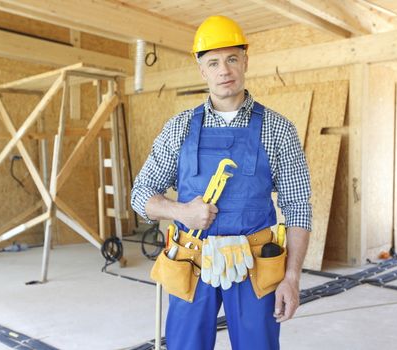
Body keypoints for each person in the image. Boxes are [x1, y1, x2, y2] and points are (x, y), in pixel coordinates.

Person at [131, 15, 311, 350]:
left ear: (245, 60)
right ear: (201, 70)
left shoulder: (278, 129)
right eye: (213, 62)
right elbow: (141, 194)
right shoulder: (178, 128)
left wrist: (292, 277)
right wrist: (181, 211)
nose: (223, 71)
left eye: (231, 59)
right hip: (191, 260)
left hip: (255, 263)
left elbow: (299, 206)